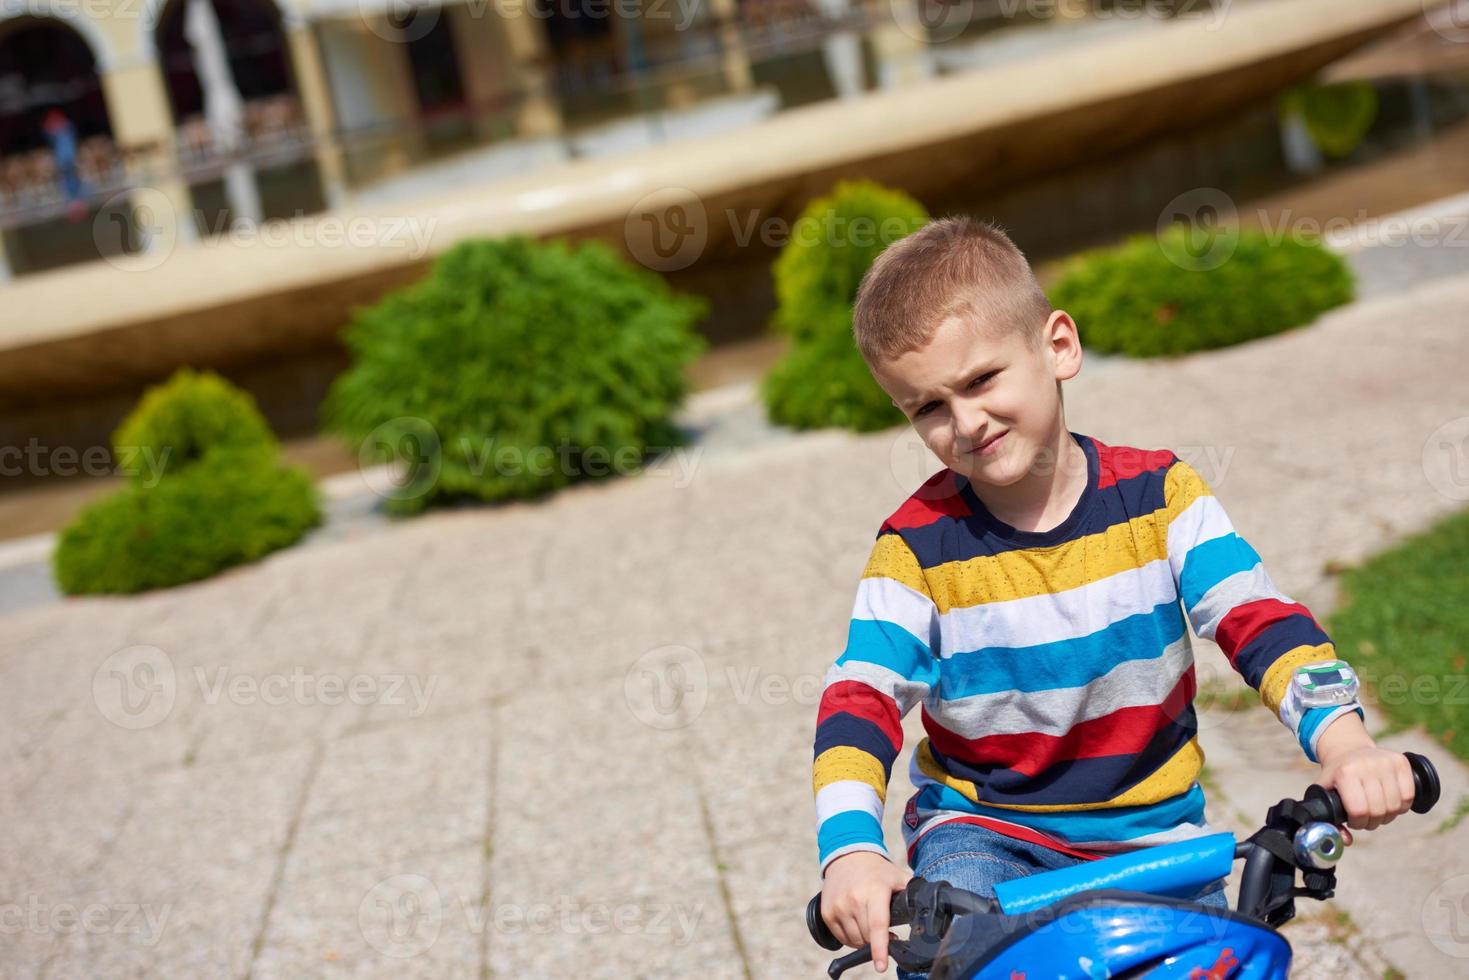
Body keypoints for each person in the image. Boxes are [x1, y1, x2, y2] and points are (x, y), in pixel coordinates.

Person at [811, 216, 1416, 977]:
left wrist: (1346, 744)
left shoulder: (1161, 500)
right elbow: (856, 697)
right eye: (926, 407)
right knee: (961, 957)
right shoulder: (916, 549)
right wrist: (852, 853)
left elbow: (1261, 622)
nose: (964, 421)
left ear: (1057, 346)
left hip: (1156, 846)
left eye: (980, 380)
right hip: (987, 842)